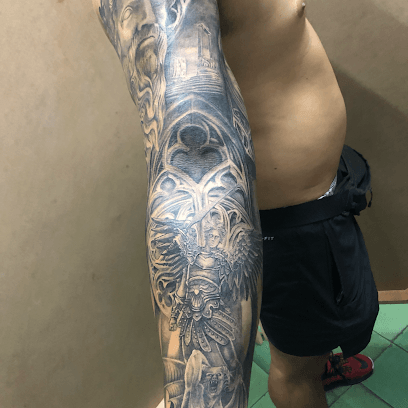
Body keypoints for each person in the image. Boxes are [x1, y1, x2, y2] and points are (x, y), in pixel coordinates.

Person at [92, 1, 380, 407]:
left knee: (308, 339)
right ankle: (304, 375)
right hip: (290, 226)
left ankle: (312, 359)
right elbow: (193, 154)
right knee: (295, 372)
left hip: (317, 204)